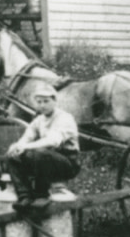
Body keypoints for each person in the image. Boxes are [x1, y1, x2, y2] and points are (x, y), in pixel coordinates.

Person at [5, 82, 80, 212]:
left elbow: (53, 141)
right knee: (13, 156)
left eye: (46, 101)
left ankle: (41, 195)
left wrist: (26, 146)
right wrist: (16, 146)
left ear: (54, 101)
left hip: (67, 163)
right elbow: (27, 137)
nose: (42, 105)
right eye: (39, 102)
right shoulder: (39, 120)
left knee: (40, 152)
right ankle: (24, 197)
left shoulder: (65, 118)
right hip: (46, 160)